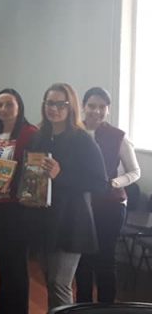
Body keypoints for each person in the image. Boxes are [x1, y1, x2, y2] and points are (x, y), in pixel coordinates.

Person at [25, 82, 107, 309]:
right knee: (50, 282)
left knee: (60, 284)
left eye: (61, 104)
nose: (55, 108)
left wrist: (60, 175)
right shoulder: (38, 137)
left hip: (71, 222)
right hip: (43, 220)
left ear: (71, 107)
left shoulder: (83, 140)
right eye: (50, 103)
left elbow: (100, 184)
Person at [75, 87, 141, 303]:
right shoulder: (74, 132)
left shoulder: (117, 136)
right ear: (83, 107)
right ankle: (83, 306)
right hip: (80, 206)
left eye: (102, 107)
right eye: (92, 106)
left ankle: (106, 308)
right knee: (82, 261)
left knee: (105, 260)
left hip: (110, 206)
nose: (96, 111)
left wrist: (115, 182)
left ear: (108, 110)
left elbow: (135, 171)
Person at [0, 89, 40, 314]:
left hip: (18, 209)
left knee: (17, 265)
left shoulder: (30, 133)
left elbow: (33, 171)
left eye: (8, 104)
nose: (3, 109)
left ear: (19, 106)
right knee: (4, 263)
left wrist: (11, 183)